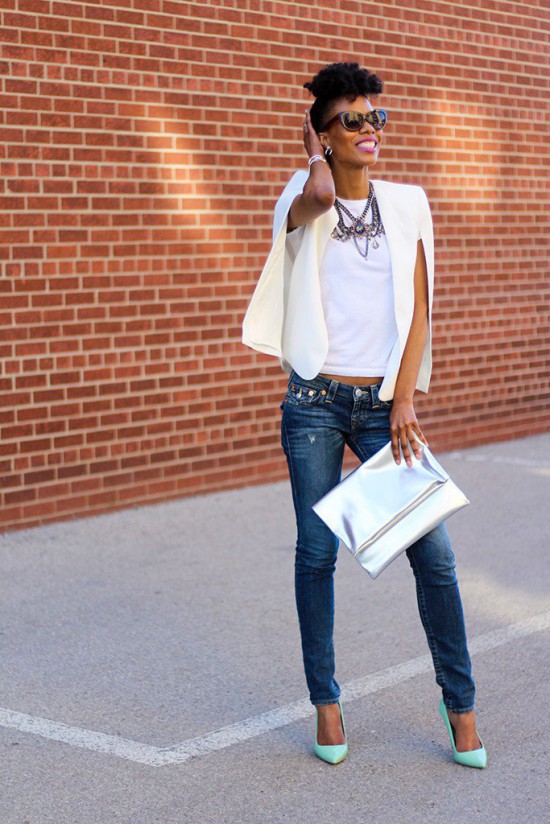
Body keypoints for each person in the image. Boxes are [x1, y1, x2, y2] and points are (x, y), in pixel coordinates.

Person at [242, 61, 486, 768]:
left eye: (377, 116)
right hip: (315, 401)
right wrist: (315, 158)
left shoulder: (408, 203)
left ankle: (460, 704)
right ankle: (325, 701)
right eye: (353, 118)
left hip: (385, 404)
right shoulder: (301, 193)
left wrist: (405, 397)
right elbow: (319, 195)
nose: (372, 129)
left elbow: (418, 313)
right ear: (322, 134)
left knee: (433, 556)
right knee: (316, 553)